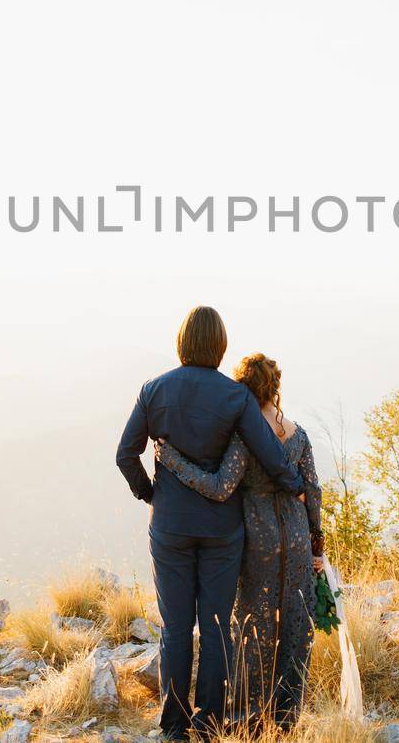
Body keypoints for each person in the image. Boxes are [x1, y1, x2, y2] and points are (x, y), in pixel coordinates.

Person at [116, 307, 303, 740]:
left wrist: (152, 494)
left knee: (176, 626)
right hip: (222, 531)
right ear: (220, 345)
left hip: (170, 528)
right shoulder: (234, 397)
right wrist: (296, 485)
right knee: (218, 627)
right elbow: (270, 455)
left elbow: (126, 455)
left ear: (180, 341)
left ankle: (174, 725)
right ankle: (209, 723)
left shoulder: (153, 389)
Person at [153, 353, 324, 730]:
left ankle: (246, 718)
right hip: (295, 539)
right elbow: (313, 491)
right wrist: (318, 551)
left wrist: (173, 461)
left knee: (251, 629)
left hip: (258, 542)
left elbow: (220, 487)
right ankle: (285, 720)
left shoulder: (245, 436)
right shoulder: (299, 434)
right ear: (275, 386)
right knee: (294, 627)